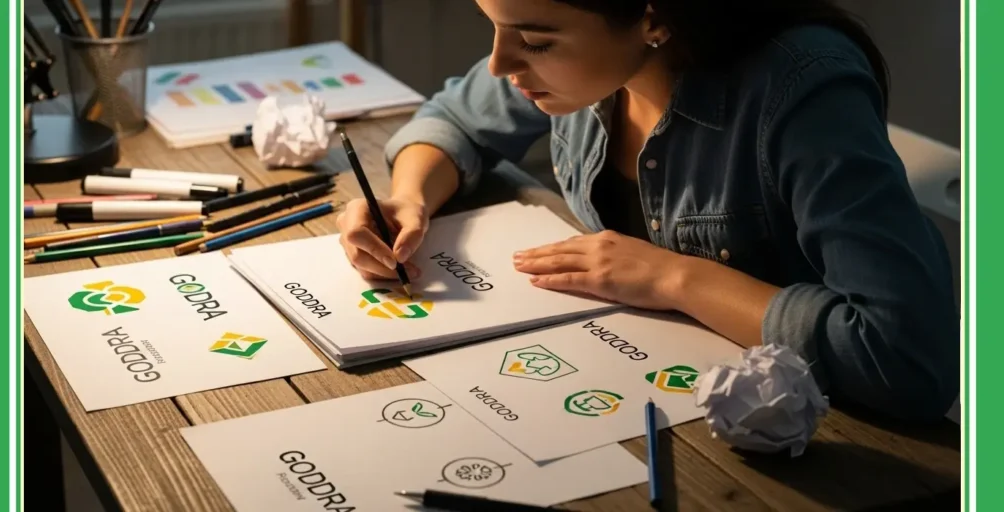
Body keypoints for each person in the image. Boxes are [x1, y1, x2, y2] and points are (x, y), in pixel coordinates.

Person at [335, 0, 959, 421]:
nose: (501, 63)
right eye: (494, 27)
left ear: (652, 18)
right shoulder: (583, 66)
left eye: (534, 40)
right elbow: (454, 119)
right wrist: (409, 197)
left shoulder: (802, 91)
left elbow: (908, 357)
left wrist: (673, 277)